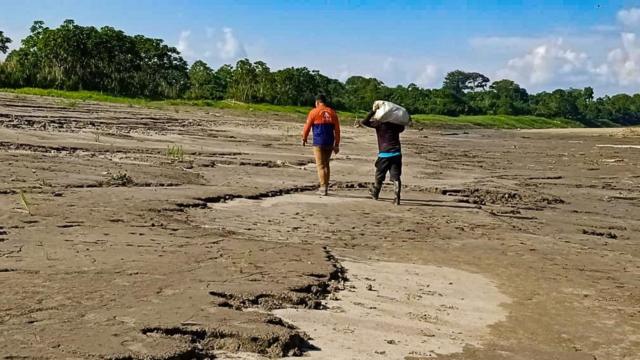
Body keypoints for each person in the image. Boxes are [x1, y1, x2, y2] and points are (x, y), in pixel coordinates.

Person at [360, 108, 405, 205]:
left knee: (379, 174)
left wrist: (372, 111)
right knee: (396, 176)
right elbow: (403, 126)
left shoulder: (379, 124)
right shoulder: (396, 125)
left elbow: (364, 122)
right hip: (396, 153)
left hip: (384, 154)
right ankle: (397, 198)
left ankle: (375, 193)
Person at [301, 95, 341, 196]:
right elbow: (337, 130)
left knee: (320, 165)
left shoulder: (313, 112)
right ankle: (325, 186)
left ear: (317, 102)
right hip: (329, 142)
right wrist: (336, 144)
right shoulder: (332, 112)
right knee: (326, 164)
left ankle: (323, 188)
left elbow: (307, 127)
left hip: (318, 142)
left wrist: (304, 138)